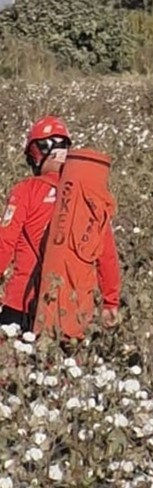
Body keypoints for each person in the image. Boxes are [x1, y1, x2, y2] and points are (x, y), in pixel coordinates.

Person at [0, 116, 121, 334]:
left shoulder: (26, 190)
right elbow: (106, 254)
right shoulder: (88, 195)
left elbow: (4, 244)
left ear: (36, 154)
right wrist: (110, 301)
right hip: (69, 310)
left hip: (21, 305)